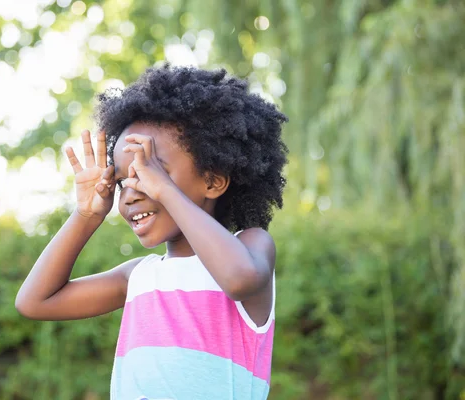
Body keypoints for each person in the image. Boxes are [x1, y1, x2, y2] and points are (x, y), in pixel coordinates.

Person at [15, 63, 288, 399]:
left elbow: (238, 279)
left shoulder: (251, 245)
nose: (130, 193)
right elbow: (35, 302)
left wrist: (164, 189)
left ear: (213, 180)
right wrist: (85, 216)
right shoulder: (137, 277)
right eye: (122, 181)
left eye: (151, 171)